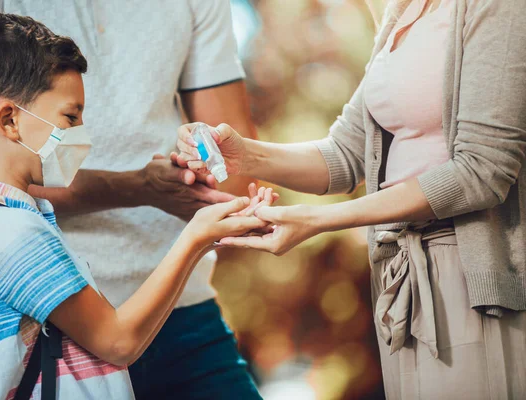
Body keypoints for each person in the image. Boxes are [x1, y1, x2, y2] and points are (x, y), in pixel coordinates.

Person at [176, 0, 526, 398]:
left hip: (467, 276)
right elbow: (346, 154)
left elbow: (484, 169)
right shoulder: (401, 13)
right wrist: (245, 155)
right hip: (400, 282)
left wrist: (320, 220)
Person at [0, 1, 262, 398]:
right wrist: (196, 237)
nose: (81, 135)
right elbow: (118, 342)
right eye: (71, 118)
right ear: (10, 120)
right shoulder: (11, 233)